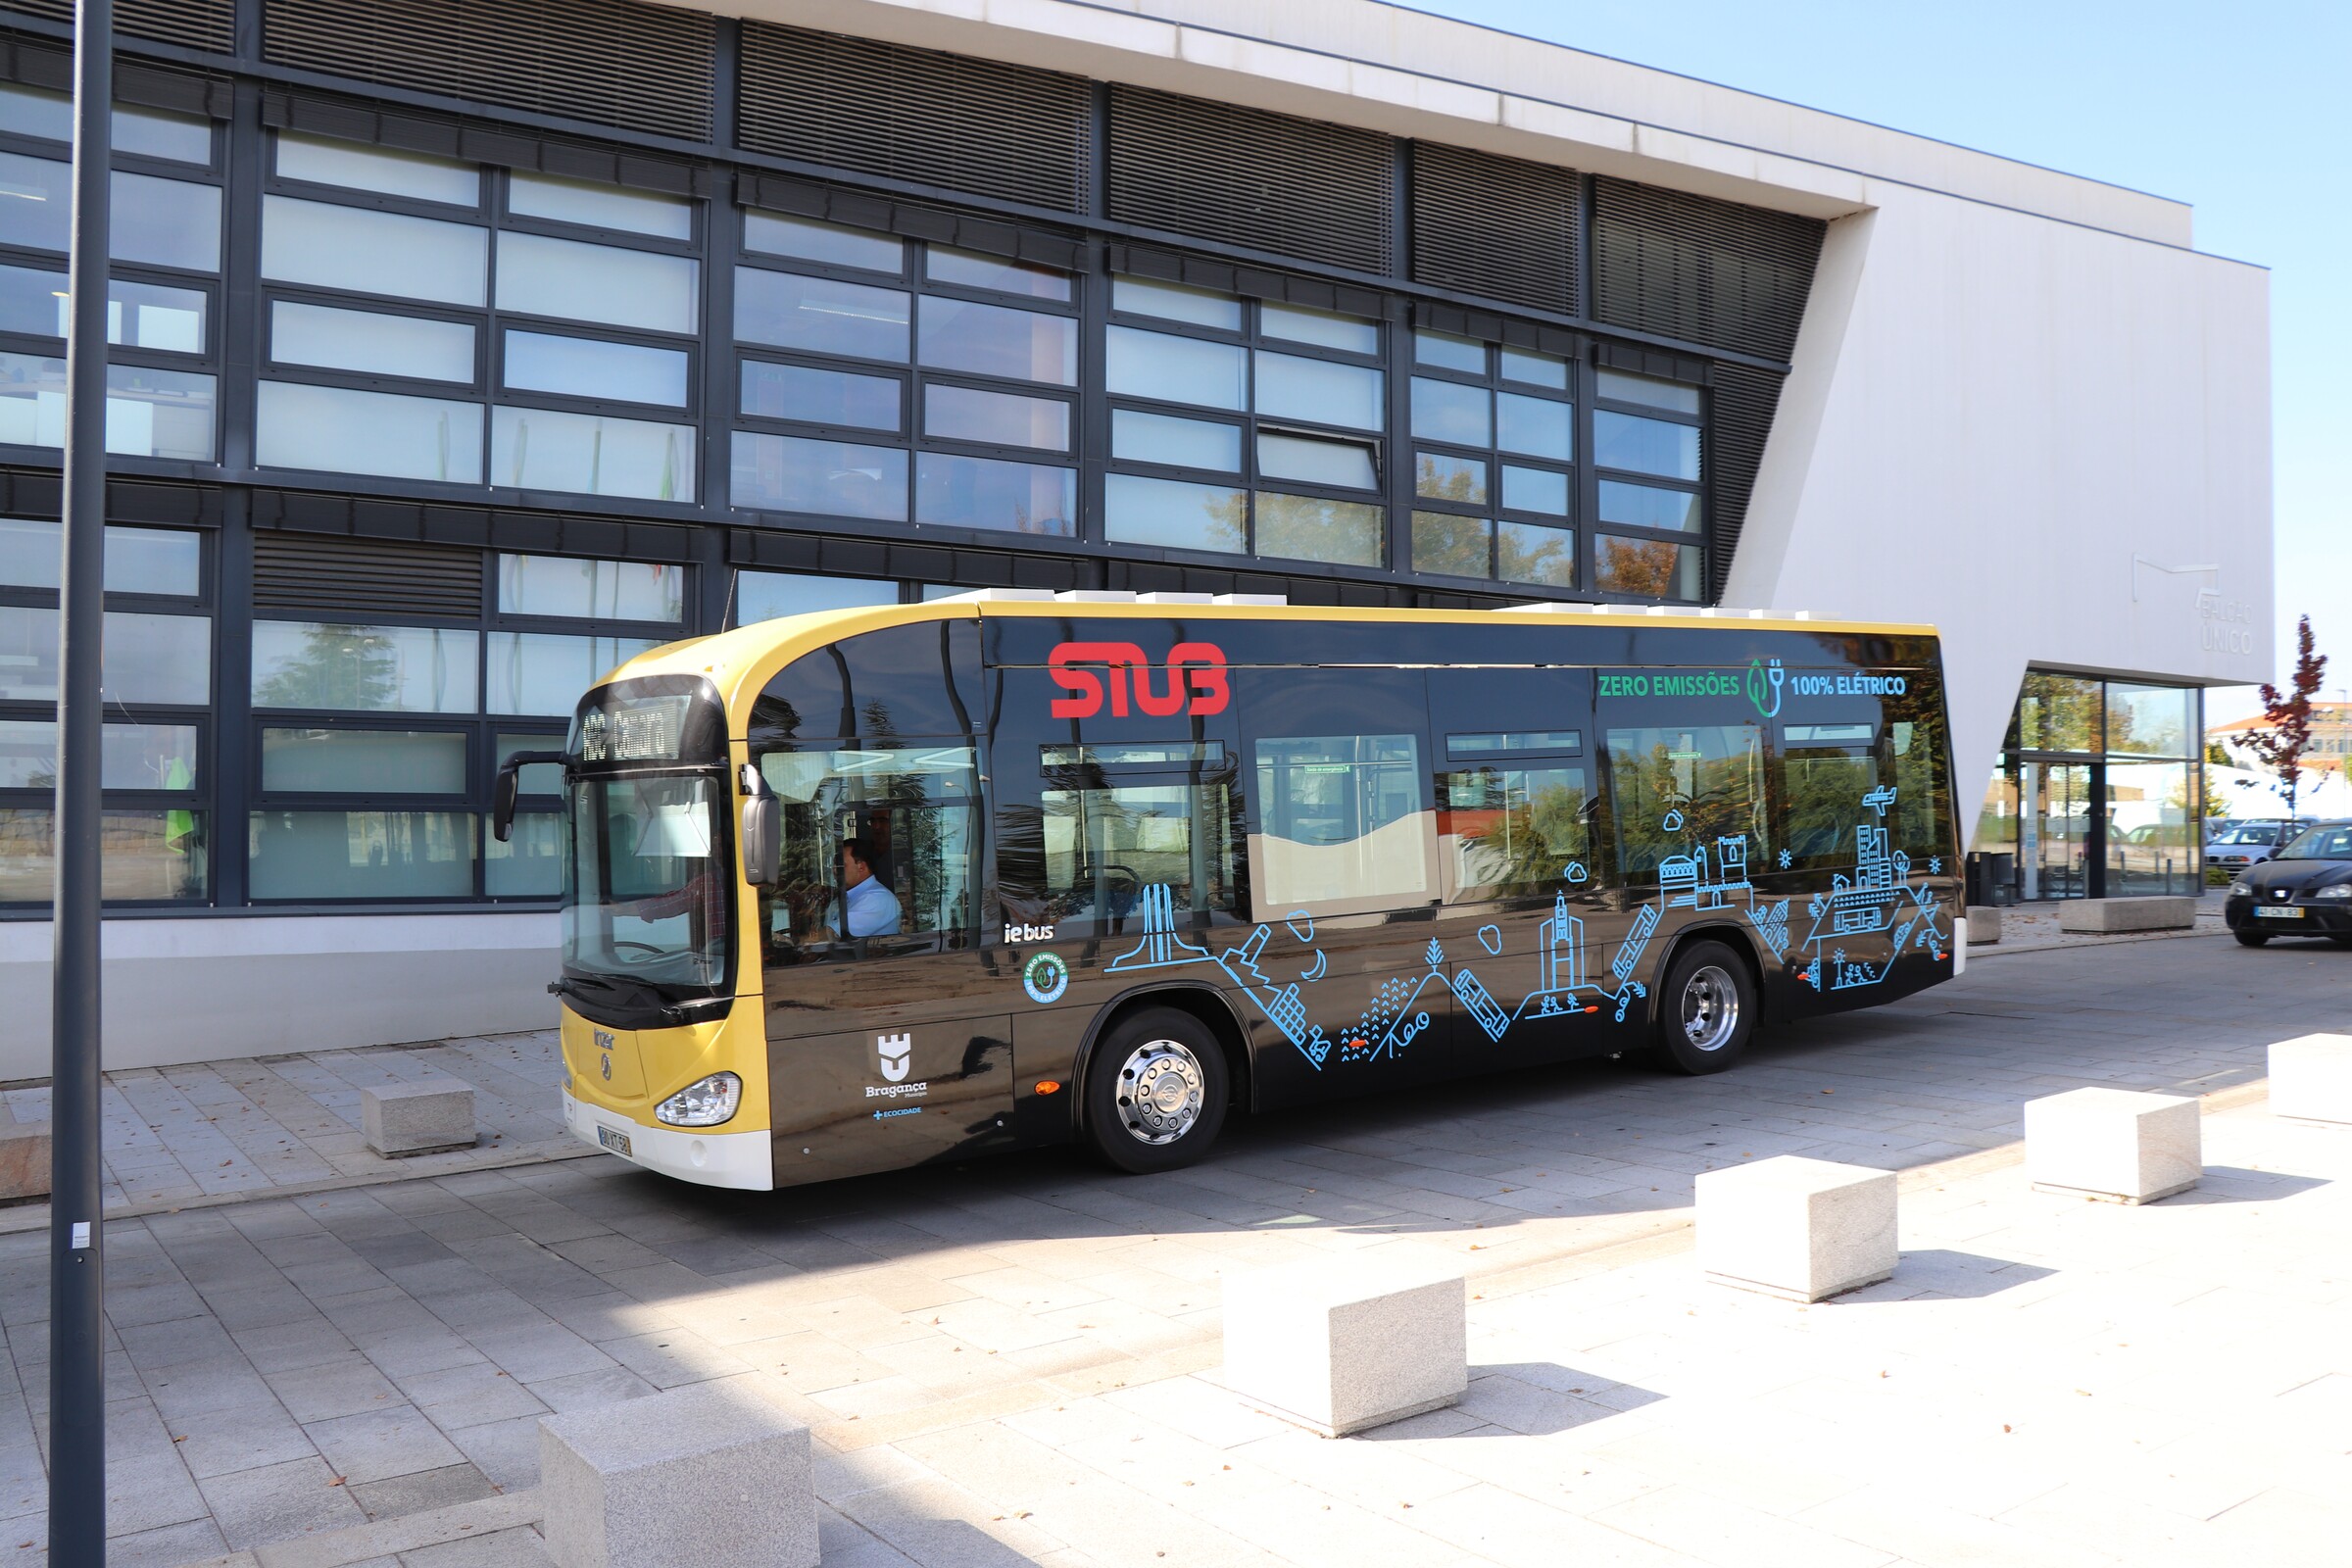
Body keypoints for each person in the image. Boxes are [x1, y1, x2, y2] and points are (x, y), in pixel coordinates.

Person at [828, 835, 903, 939]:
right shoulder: (842, 898)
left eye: (841, 865)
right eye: (834, 866)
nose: (835, 871)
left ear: (861, 867)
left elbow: (832, 934)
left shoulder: (878, 898)